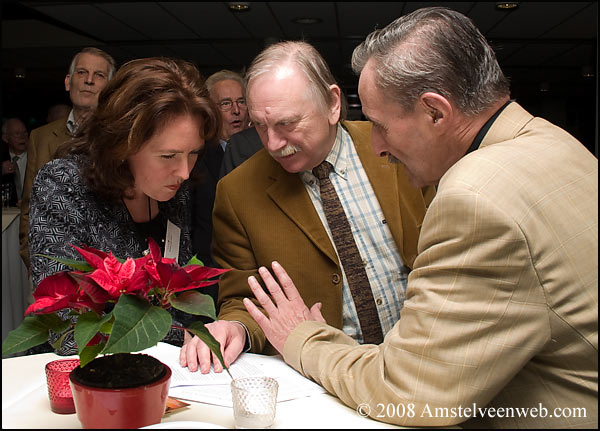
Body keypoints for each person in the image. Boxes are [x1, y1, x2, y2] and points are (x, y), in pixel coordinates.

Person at [241, 7, 598, 429]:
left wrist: (303, 337)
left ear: (435, 112)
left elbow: (410, 394)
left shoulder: (473, 196)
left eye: (380, 125)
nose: (376, 146)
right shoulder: (557, 141)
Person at [180, 41, 435, 374]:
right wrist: (236, 328)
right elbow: (245, 300)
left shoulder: (396, 150)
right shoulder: (237, 192)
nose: (272, 144)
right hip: (325, 382)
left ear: (331, 103)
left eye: (287, 124)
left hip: (427, 359)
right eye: (260, 125)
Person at [28, 57, 221, 355]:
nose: (184, 172)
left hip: (171, 376)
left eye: (193, 153)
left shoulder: (173, 189)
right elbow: (66, 326)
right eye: (168, 156)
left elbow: (177, 296)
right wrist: (177, 339)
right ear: (122, 145)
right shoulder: (63, 184)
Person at [20, 47, 117, 269]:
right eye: (82, 72)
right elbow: (28, 206)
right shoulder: (40, 137)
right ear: (67, 82)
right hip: (49, 269)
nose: (89, 81)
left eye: (99, 75)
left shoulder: (119, 137)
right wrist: (32, 259)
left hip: (103, 272)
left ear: (110, 88)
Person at [191, 69, 250, 267]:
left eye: (241, 101)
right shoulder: (195, 159)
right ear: (209, 110)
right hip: (211, 270)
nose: (236, 110)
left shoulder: (266, 152)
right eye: (226, 104)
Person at [1, 118, 28, 206]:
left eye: (25, 132)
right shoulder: (3, 160)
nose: (22, 137)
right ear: (6, 138)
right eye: (17, 134)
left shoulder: (36, 157)